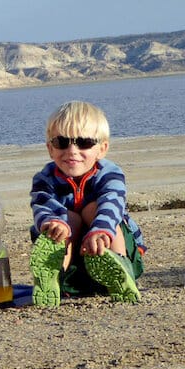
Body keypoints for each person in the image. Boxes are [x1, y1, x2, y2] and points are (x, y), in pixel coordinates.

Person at [28, 100, 146, 308]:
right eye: (62, 142)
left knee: (94, 209)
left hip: (109, 241)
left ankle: (120, 269)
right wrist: (53, 223)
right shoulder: (44, 179)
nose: (72, 150)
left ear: (102, 149)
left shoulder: (110, 174)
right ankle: (53, 278)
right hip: (75, 255)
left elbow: (112, 203)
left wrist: (101, 230)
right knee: (65, 220)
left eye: (84, 142)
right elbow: (42, 206)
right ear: (50, 149)